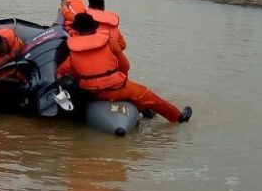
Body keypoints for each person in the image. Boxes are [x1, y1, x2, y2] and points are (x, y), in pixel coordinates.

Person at [57, 12, 191, 123]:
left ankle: (145, 111)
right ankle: (179, 117)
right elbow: (126, 66)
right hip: (116, 87)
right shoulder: (109, 41)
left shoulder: (73, 50)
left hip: (92, 92)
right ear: (94, 27)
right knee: (148, 95)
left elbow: (63, 73)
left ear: (76, 30)